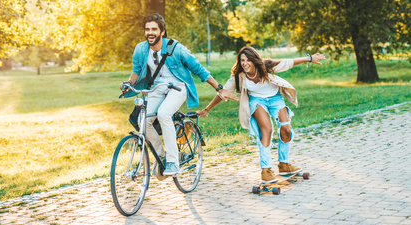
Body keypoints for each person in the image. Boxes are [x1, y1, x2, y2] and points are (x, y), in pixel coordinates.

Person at [120, 13, 238, 176]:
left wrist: (218, 87)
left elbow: (198, 69)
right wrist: (128, 83)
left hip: (177, 87)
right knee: (144, 122)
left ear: (162, 31)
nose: (150, 32)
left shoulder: (176, 48)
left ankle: (173, 163)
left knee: (163, 114)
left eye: (154, 29)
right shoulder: (141, 49)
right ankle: (161, 156)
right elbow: (136, 71)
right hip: (156, 88)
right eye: (147, 29)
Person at [196, 46, 325, 184]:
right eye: (242, 60)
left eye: (248, 60)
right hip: (257, 101)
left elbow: (288, 62)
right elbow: (223, 93)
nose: (245, 63)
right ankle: (266, 170)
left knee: (286, 129)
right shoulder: (239, 76)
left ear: (254, 60)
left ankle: (284, 164)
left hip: (275, 98)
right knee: (267, 130)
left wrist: (310, 58)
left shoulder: (266, 66)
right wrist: (207, 109)